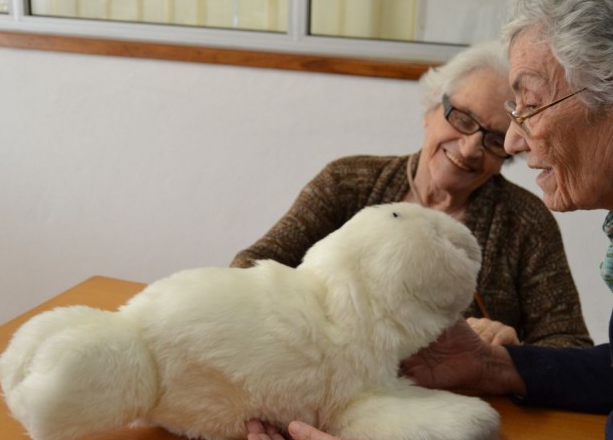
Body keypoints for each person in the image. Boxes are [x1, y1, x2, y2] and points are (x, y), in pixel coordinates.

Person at [245, 0, 613, 440]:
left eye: (528, 107)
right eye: (465, 119)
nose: (515, 141)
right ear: (432, 109)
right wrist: (496, 366)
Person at [232, 41, 592, 349]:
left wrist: (512, 351)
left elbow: (570, 345)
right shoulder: (347, 183)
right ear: (431, 109)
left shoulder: (525, 222)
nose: (469, 148)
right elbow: (252, 268)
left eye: (495, 140)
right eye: (463, 119)